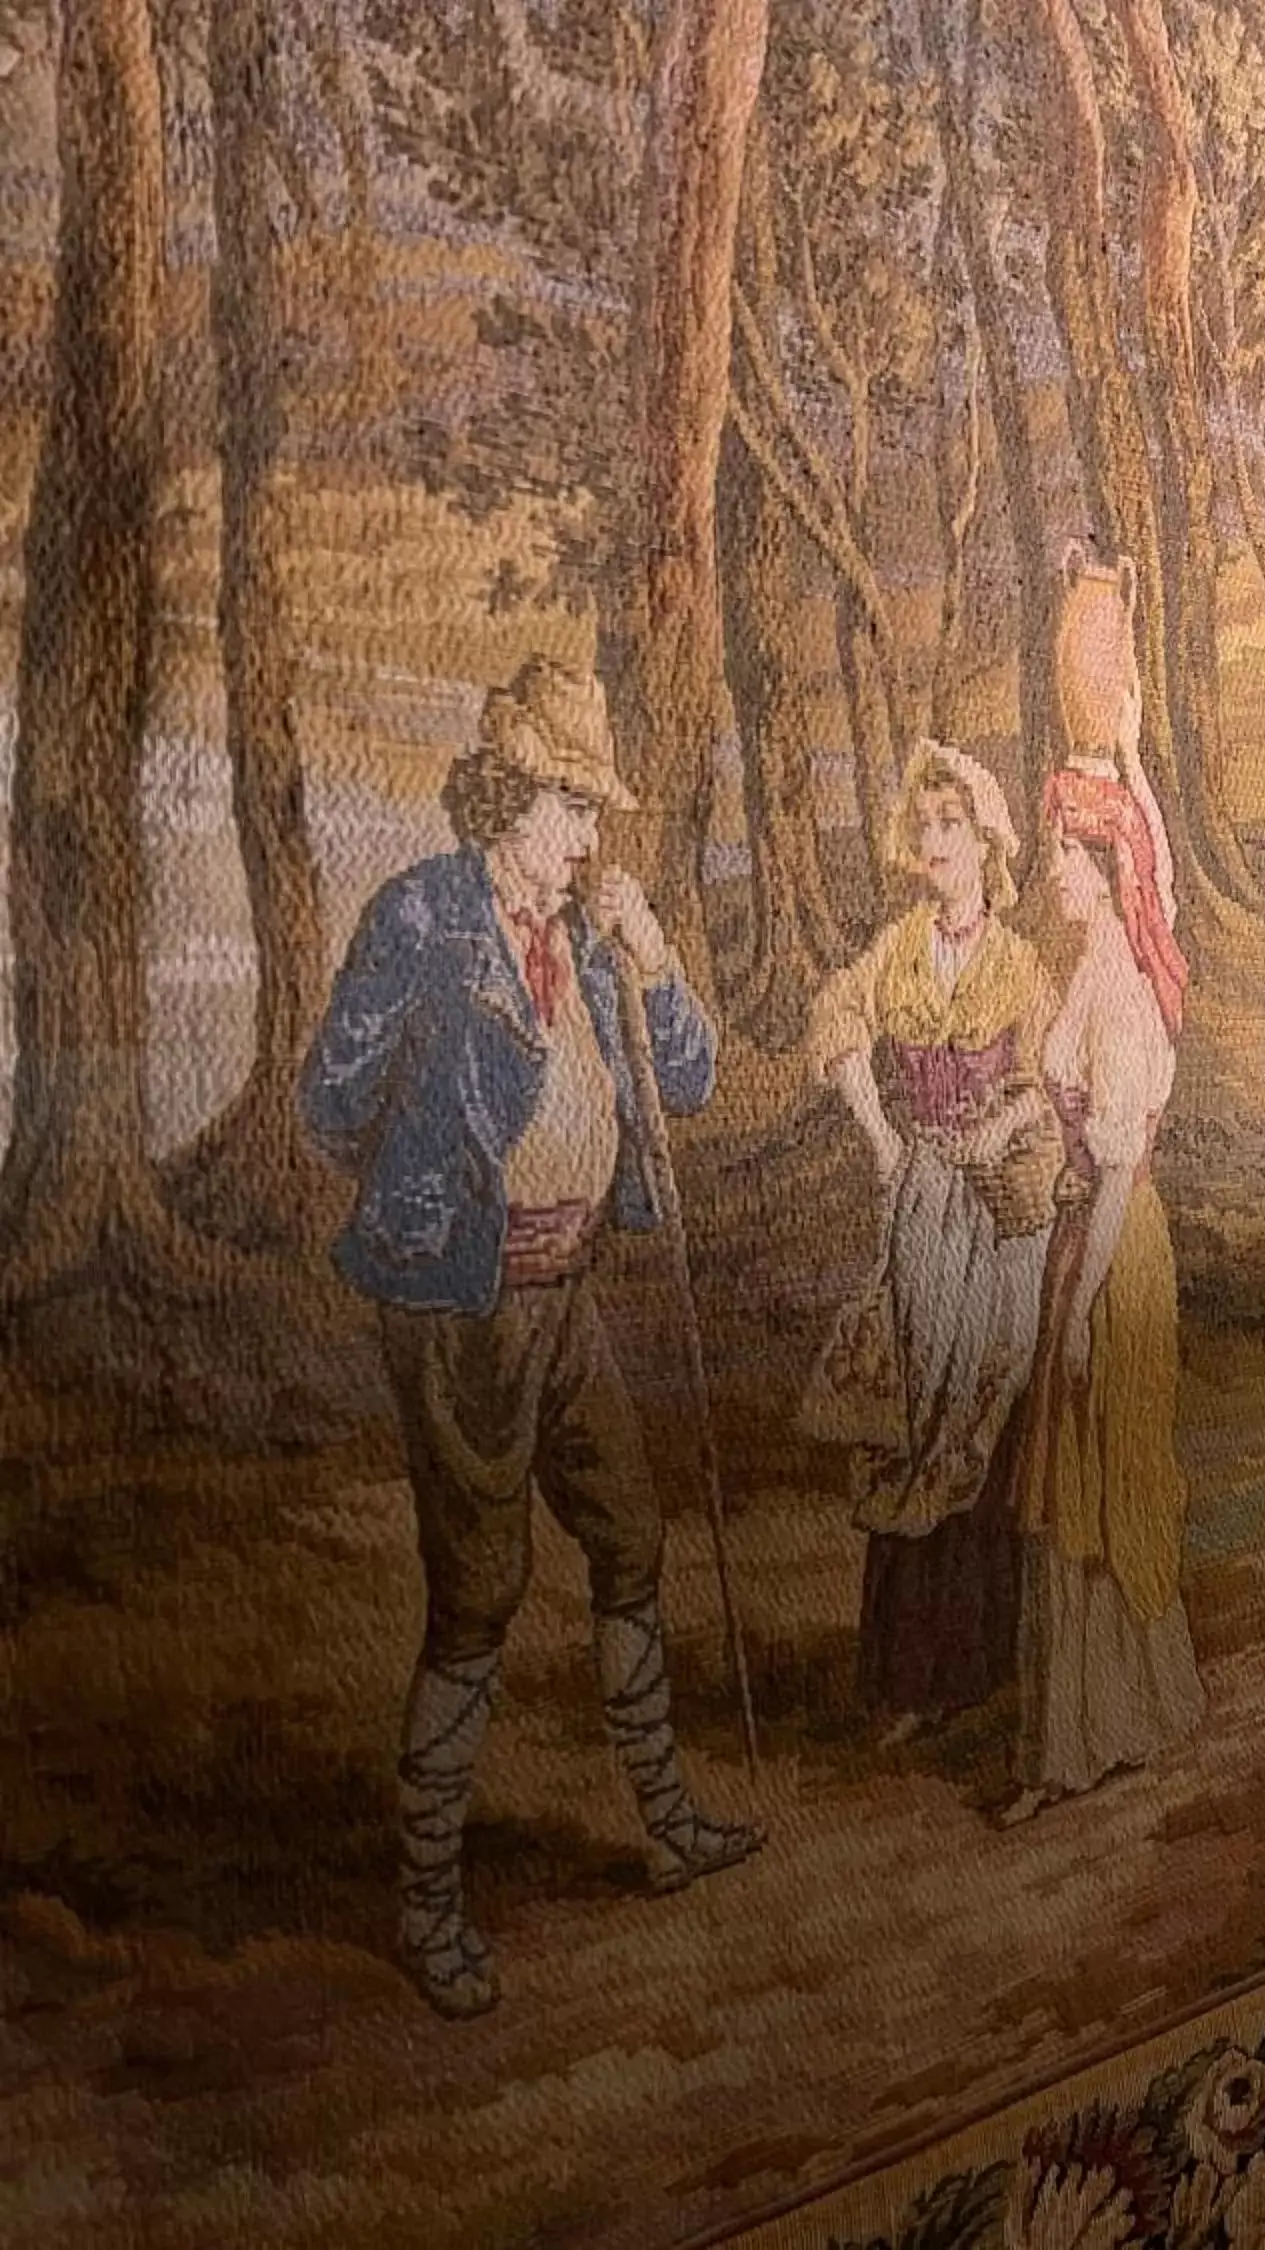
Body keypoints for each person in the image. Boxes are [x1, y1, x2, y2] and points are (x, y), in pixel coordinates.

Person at [299, 655, 762, 2022]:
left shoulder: (594, 929)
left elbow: (687, 1079)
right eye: (570, 803)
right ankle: (430, 1900)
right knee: (480, 1589)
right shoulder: (422, 918)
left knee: (629, 1533)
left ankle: (667, 1815)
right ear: (507, 795)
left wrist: (656, 957)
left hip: (569, 1295)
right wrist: (431, 1193)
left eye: (592, 807)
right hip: (460, 1307)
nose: (587, 835)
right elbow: (331, 1101)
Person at [799, 741, 1061, 1746]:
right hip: (921, 1208)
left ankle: (971, 1663)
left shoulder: (1017, 965)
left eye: (955, 826)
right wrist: (879, 1135)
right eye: (929, 825)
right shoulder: (899, 949)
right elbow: (836, 1022)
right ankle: (903, 1675)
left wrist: (1002, 1126)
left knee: (974, 1419)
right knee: (907, 1413)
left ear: (988, 845)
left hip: (996, 1221)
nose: (937, 842)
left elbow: (1052, 1078)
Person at [1001, 762, 1202, 1815]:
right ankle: (1095, 1726)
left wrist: (1080, 1312)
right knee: (1071, 1475)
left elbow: (1121, 1164)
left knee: (1100, 1472)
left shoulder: (1125, 994)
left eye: (1064, 856)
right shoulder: (1089, 966)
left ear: (1102, 867)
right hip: (1084, 1240)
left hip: (1119, 1257)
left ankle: (1090, 1737)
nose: (1052, 872)